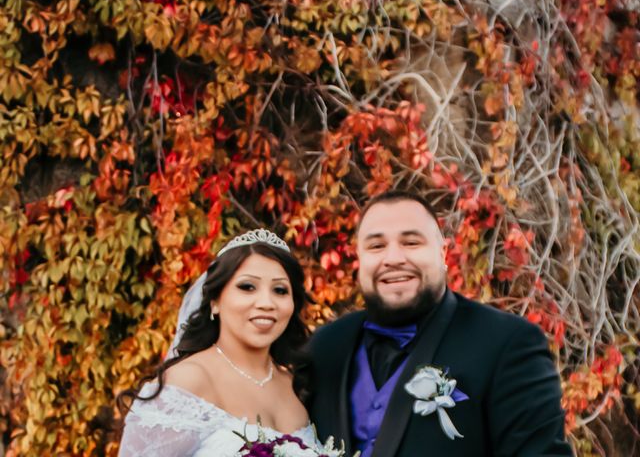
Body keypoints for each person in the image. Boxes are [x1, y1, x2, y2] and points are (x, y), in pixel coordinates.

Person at [307, 190, 573, 456]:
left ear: (443, 253)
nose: (394, 258)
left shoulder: (507, 343)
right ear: (359, 259)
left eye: (411, 242)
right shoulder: (325, 346)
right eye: (376, 246)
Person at [118, 229, 314, 456]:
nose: (266, 303)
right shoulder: (189, 380)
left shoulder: (293, 385)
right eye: (247, 287)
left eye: (280, 290)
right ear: (214, 302)